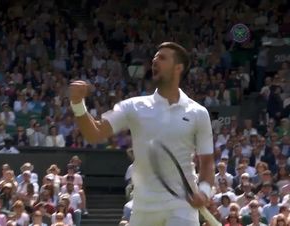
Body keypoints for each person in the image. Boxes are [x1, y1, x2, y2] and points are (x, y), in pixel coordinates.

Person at [69, 42, 215, 226]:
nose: (154, 61)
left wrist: (204, 191)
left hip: (182, 206)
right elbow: (94, 134)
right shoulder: (132, 106)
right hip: (143, 207)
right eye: (154, 58)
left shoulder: (199, 113)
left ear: (178, 68)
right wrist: (77, 104)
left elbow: (207, 163)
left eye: (162, 58)